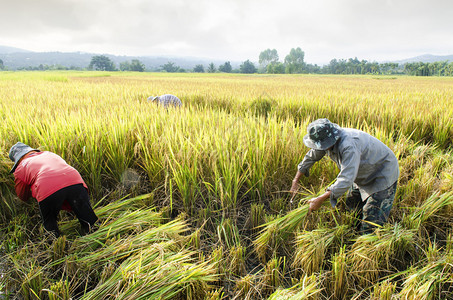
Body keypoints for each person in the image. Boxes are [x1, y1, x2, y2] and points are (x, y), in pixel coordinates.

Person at [290, 119, 399, 234]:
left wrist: (320, 199)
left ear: (329, 141)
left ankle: (366, 243)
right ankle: (353, 234)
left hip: (381, 172)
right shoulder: (325, 142)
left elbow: (346, 179)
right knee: (352, 208)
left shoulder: (348, 145)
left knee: (372, 219)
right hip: (361, 172)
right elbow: (310, 157)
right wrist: (295, 180)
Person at [9, 142, 98, 238]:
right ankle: (98, 241)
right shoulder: (49, 154)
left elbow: (22, 195)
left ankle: (55, 246)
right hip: (75, 181)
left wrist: (33, 193)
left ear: (19, 159)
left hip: (47, 187)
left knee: (50, 225)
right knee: (89, 221)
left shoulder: (21, 166)